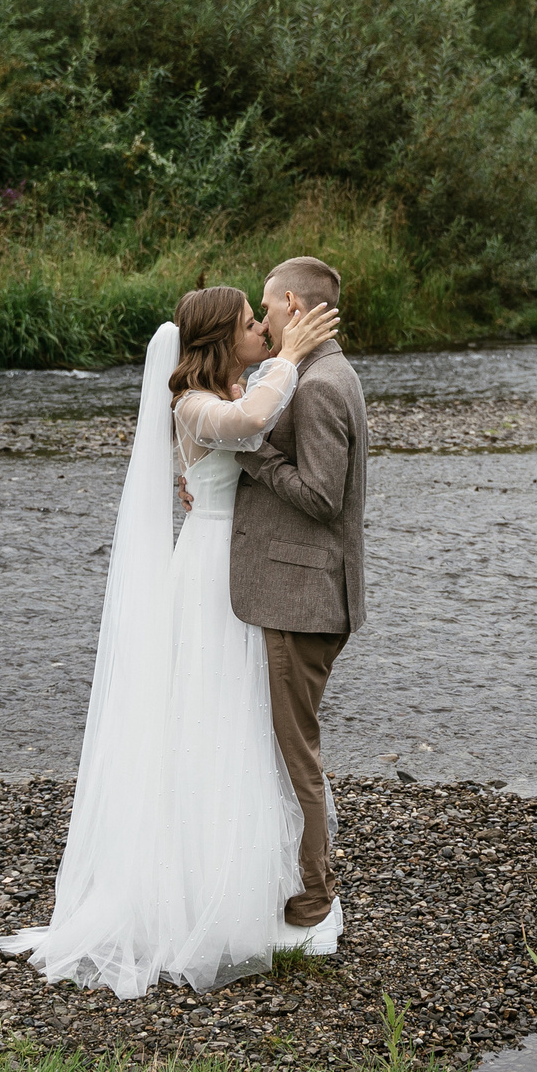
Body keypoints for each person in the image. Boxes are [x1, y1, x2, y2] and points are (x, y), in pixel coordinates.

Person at [0, 284, 341, 996]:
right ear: (223, 337)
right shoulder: (192, 402)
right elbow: (245, 421)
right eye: (253, 324)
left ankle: (244, 883)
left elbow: (252, 428)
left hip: (236, 564)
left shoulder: (237, 381)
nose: (262, 331)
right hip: (211, 570)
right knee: (209, 720)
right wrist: (298, 355)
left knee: (241, 723)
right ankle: (191, 896)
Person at [228, 256, 367, 937]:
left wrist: (256, 455)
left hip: (301, 598)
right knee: (291, 742)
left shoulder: (319, 385)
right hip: (302, 591)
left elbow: (321, 496)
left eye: (265, 303)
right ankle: (296, 874)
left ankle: (316, 894)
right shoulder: (322, 372)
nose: (260, 314)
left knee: (295, 749)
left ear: (288, 302)